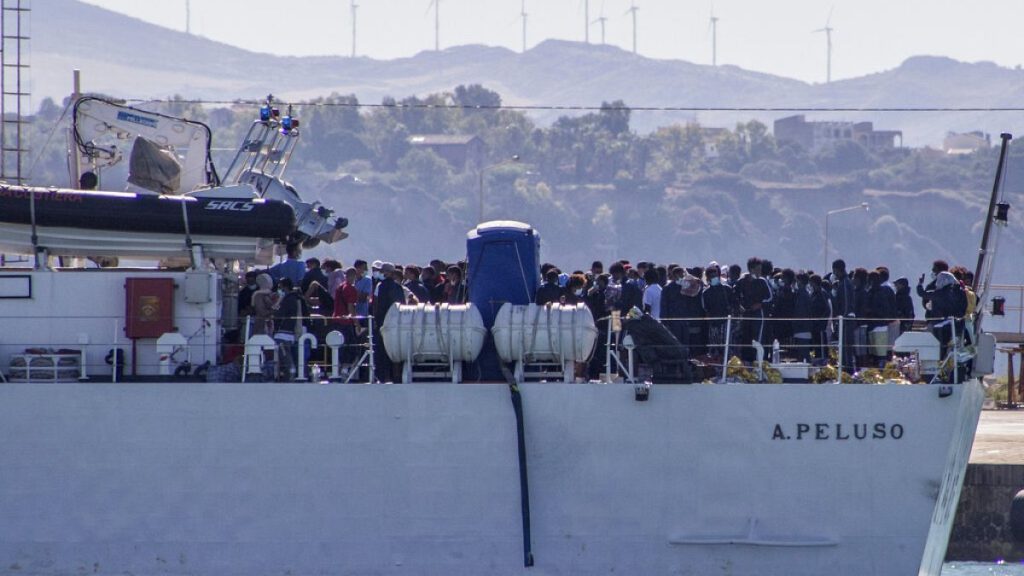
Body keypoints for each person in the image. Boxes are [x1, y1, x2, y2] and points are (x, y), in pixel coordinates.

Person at [372, 263, 406, 382]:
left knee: (382, 350)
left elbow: (376, 305)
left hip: (383, 323)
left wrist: (377, 321)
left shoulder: (380, 286)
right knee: (396, 349)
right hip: (397, 324)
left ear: (388, 273)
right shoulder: (399, 287)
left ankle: (383, 376)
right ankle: (397, 375)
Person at [735, 257, 772, 362]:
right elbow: (734, 296)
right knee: (746, 339)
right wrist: (739, 306)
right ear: (751, 269)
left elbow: (770, 297)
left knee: (758, 340)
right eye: (757, 269)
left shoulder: (762, 281)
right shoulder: (741, 281)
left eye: (760, 269)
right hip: (746, 315)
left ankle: (759, 363)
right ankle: (747, 364)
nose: (759, 272)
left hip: (759, 316)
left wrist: (761, 304)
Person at [273, 277, 309, 379]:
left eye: (280, 287)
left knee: (285, 356)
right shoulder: (298, 298)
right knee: (296, 355)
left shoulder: (287, 299)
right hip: (294, 332)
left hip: (284, 332)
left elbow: (279, 315)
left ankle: (290, 375)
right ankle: (297, 374)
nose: (279, 289)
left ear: (285, 287)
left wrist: (274, 309)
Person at [701, 265, 732, 358]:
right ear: (707, 278)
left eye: (715, 276)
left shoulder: (727, 289)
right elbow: (705, 309)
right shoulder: (705, 293)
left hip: (726, 323)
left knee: (727, 348)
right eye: (711, 277)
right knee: (714, 350)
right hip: (713, 324)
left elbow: (734, 304)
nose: (714, 278)